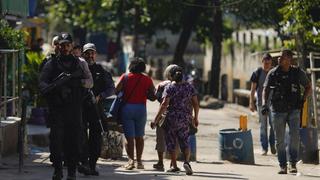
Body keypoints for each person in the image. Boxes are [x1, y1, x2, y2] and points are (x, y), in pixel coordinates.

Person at [39, 32, 93, 180]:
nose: (64, 47)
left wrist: (77, 82)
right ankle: (58, 170)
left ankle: (71, 172)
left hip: (74, 109)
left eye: (67, 45)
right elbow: (43, 82)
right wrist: (55, 87)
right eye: (62, 45)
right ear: (58, 46)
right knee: (56, 141)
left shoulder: (80, 63)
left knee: (73, 141)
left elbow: (89, 82)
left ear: (71, 46)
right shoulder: (51, 64)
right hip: (57, 109)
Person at [262, 49, 311, 174]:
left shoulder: (297, 73)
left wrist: (303, 99)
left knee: (294, 137)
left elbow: (308, 86)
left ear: (289, 60)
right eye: (279, 57)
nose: (279, 59)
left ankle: (293, 163)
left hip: (294, 109)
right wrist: (264, 104)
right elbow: (265, 89)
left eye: (283, 57)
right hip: (277, 110)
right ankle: (283, 165)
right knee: (280, 140)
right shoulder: (273, 73)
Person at [151, 66, 199, 175]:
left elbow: (164, 105)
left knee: (171, 142)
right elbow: (195, 104)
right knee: (184, 141)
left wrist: (155, 120)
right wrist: (195, 117)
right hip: (185, 118)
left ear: (171, 76)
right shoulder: (189, 87)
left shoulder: (169, 87)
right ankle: (186, 162)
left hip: (171, 118)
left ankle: (175, 166)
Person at [78, 43, 115, 176]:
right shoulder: (78, 68)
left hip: (96, 108)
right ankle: (84, 162)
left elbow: (111, 88)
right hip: (80, 107)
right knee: (80, 135)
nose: (90, 55)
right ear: (83, 54)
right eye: (87, 53)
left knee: (96, 137)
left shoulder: (101, 70)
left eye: (92, 53)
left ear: (96, 54)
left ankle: (92, 165)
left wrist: (101, 96)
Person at [115, 57, 156, 170]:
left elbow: (116, 90)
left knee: (129, 137)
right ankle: (139, 162)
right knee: (140, 136)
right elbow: (153, 95)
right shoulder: (147, 79)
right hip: (141, 109)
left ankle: (130, 161)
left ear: (131, 66)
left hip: (127, 109)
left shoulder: (125, 77)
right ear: (143, 67)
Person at [152, 64, 179, 171]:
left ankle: (160, 162)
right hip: (177, 116)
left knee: (160, 139)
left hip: (164, 115)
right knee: (175, 140)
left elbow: (156, 97)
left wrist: (156, 119)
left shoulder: (162, 85)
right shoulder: (184, 85)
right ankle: (173, 163)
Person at [249, 53, 276, 156]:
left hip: (273, 104)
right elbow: (252, 90)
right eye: (265, 63)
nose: (266, 65)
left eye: (268, 63)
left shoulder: (275, 72)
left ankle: (273, 145)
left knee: (273, 126)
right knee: (263, 126)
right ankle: (264, 148)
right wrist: (251, 103)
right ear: (262, 62)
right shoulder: (257, 73)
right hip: (261, 103)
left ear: (271, 63)